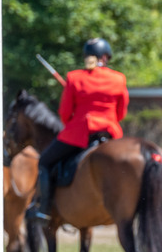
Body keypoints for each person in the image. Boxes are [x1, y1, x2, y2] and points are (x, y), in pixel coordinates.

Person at [34, 38, 128, 223]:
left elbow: (65, 113)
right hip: (109, 132)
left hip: (81, 133)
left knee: (44, 162)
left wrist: (76, 118)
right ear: (106, 57)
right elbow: (121, 111)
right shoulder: (119, 78)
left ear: (87, 57)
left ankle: (44, 209)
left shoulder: (75, 77)